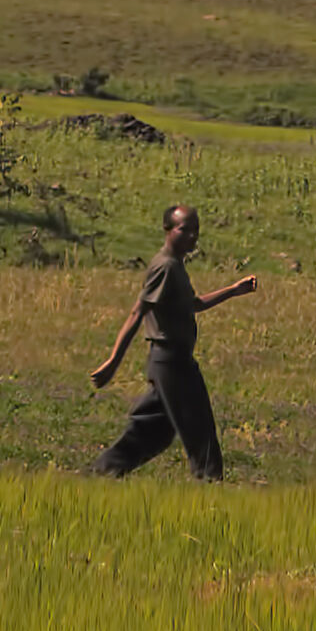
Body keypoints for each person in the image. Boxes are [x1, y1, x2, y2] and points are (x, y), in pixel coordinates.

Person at [90, 204, 257, 481]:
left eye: (196, 230)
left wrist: (233, 291)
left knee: (154, 430)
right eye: (184, 229)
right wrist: (113, 362)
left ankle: (102, 472)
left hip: (171, 360)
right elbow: (137, 312)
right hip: (172, 362)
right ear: (167, 230)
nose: (192, 236)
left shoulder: (175, 265)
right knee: (199, 430)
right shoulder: (165, 267)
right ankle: (210, 488)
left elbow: (192, 304)